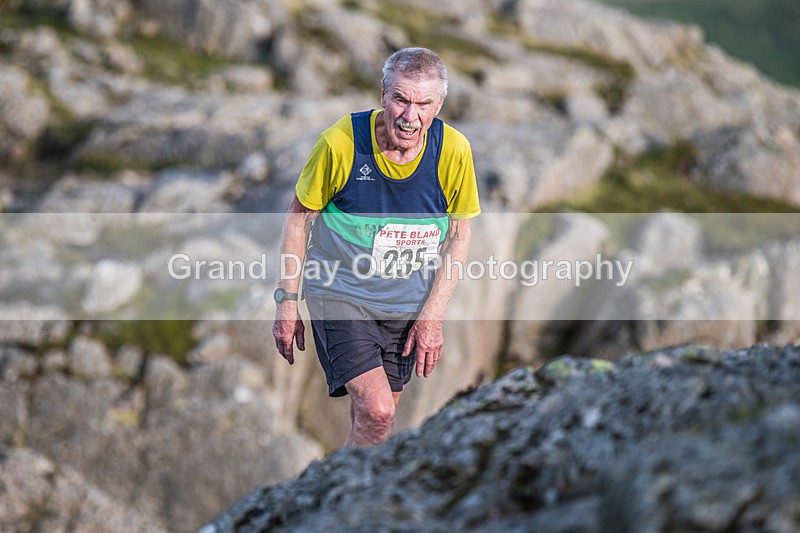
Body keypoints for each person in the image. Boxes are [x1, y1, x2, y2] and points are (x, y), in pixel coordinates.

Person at [272, 47, 480, 447]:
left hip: (406, 303)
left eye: (424, 104)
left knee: (372, 421)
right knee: (378, 412)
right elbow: (298, 219)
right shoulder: (341, 143)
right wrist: (287, 302)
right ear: (382, 94)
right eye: (400, 99)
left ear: (439, 105)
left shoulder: (453, 151)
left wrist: (433, 315)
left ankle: (337, 483)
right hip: (340, 291)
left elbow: (459, 236)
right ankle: (346, 488)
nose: (409, 116)